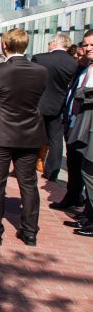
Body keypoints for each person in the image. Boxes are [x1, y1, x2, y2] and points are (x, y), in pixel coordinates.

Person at [0, 28, 48, 247]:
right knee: (29, 183)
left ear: (4, 46)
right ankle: (30, 231)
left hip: (0, 134)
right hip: (30, 134)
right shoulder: (41, 71)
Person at [31, 33, 78, 181]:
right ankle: (52, 172)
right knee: (56, 140)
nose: (49, 45)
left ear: (55, 43)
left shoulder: (40, 58)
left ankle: (27, 167)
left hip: (37, 104)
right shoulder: (73, 63)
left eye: (50, 43)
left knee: (31, 136)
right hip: (58, 105)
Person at [61, 31, 93, 236]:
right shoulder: (86, 68)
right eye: (86, 45)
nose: (88, 48)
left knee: (89, 172)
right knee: (84, 170)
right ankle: (89, 217)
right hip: (80, 124)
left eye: (92, 45)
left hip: (90, 127)